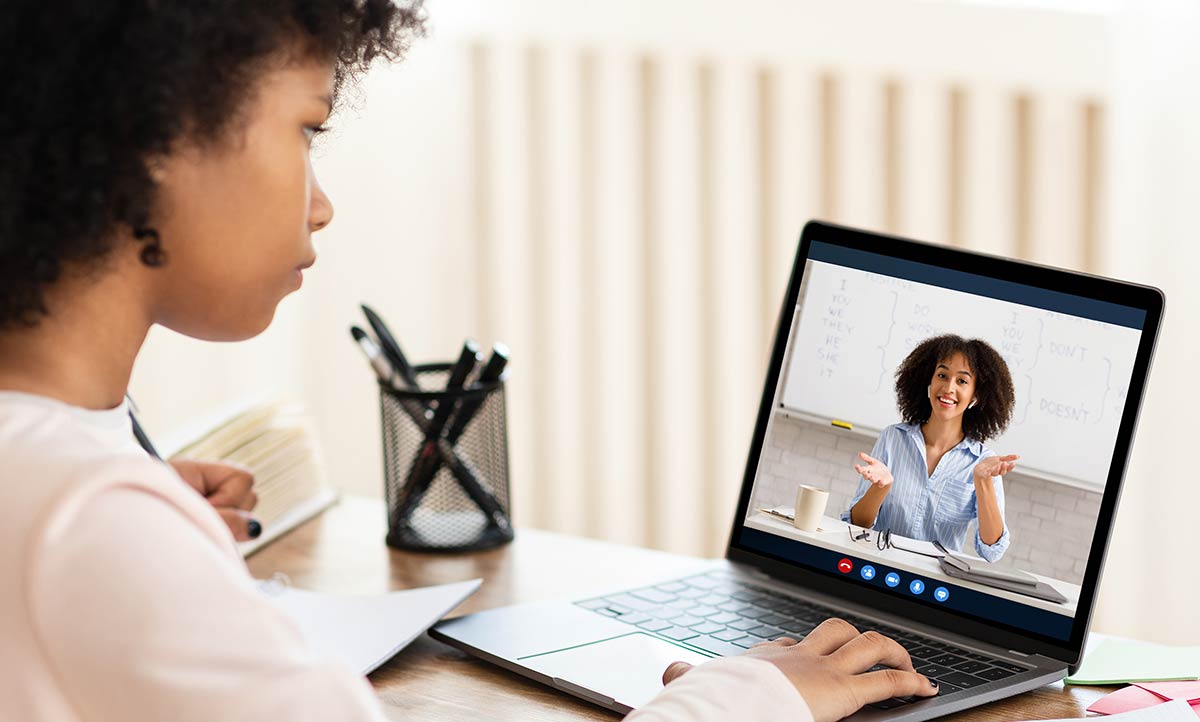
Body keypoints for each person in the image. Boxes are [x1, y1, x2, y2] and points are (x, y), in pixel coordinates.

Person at [0, 3, 936, 720]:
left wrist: (150, 528)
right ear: (151, 139)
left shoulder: (69, 479)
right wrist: (753, 694)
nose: (321, 205)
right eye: (306, 130)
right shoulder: (90, 519)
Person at [843, 334, 1018, 562]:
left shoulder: (983, 463)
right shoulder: (892, 439)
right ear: (929, 381)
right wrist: (881, 488)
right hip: (877, 568)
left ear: (976, 395)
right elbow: (857, 525)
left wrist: (983, 482)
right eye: (942, 375)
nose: (948, 388)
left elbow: (992, 551)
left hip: (934, 585)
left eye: (962, 381)